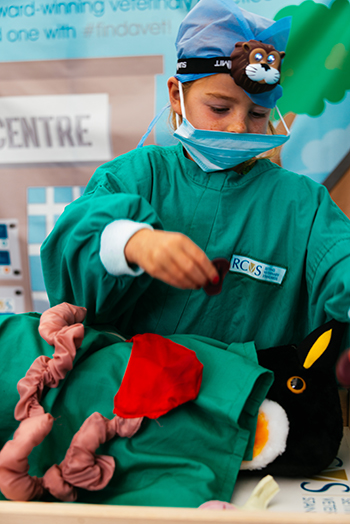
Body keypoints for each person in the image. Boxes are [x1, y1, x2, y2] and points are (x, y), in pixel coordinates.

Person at [41, 0, 350, 352]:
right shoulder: (139, 176)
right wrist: (130, 243)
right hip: (130, 395)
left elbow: (340, 259)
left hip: (248, 402)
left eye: (258, 114)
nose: (238, 127)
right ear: (176, 96)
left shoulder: (301, 205)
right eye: (219, 108)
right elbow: (74, 245)